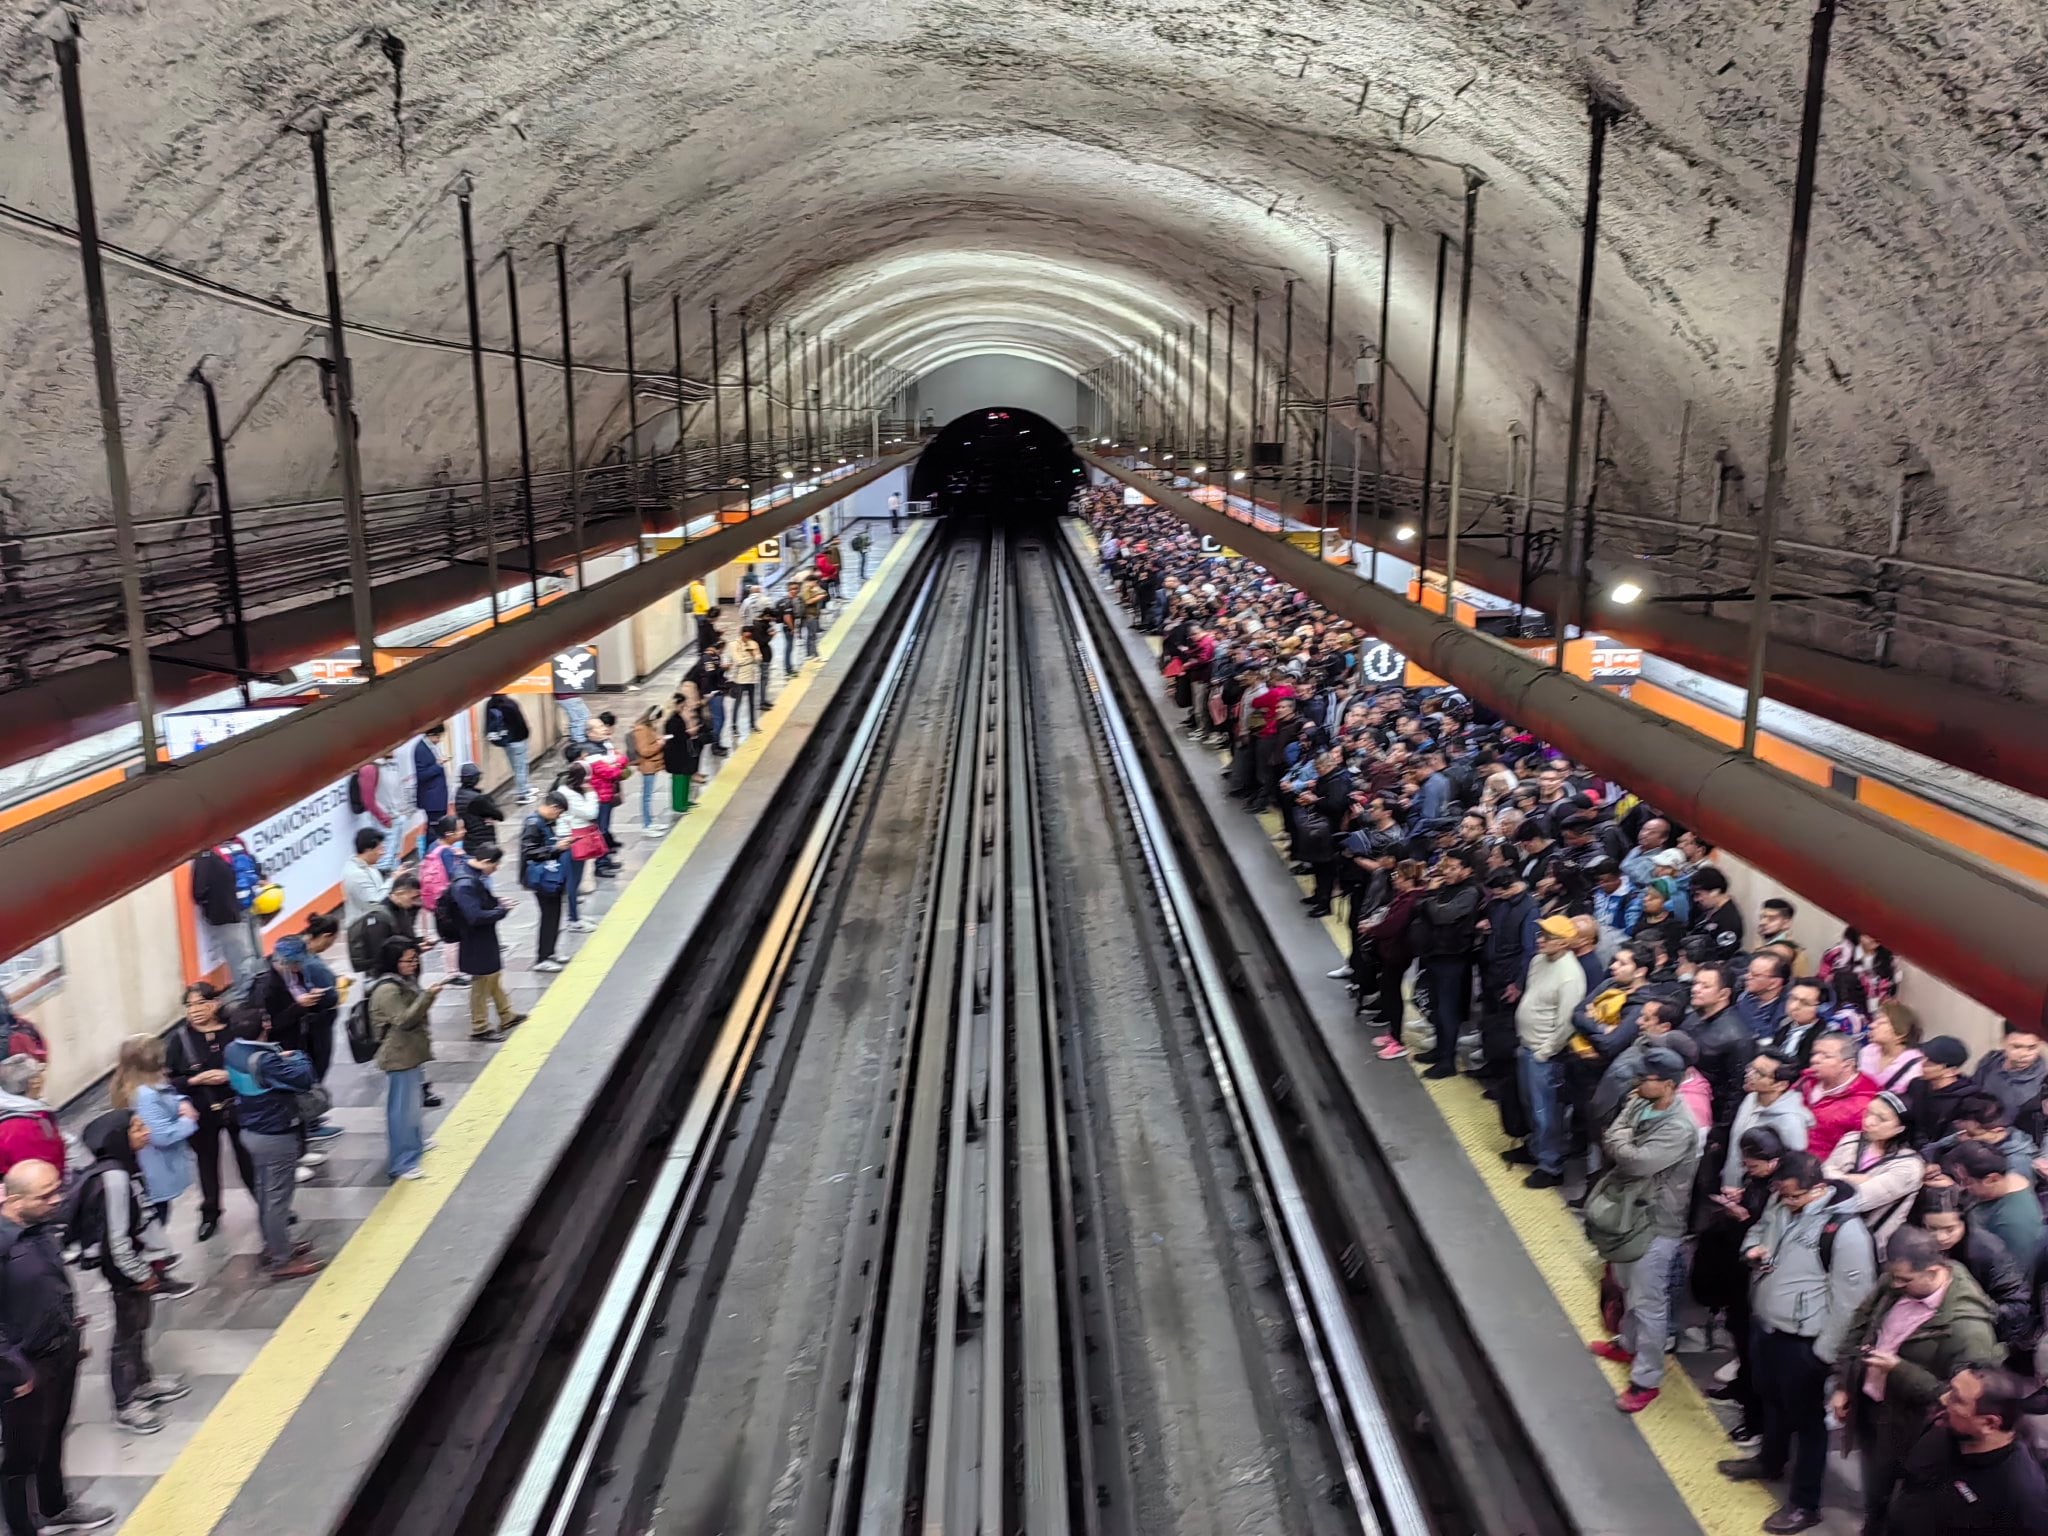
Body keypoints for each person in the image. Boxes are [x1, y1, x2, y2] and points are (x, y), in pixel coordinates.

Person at [1721, 1149, 1877, 1535]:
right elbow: (1760, 1229)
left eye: (1795, 1196)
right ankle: (1770, 1461)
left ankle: (1805, 1504)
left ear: (1819, 1188)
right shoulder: (1780, 1200)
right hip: (1768, 1328)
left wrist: (1824, 1354)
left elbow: (1850, 1304)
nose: (1786, 1202)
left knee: (1809, 1424)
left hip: (1804, 1343)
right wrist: (1751, 1250)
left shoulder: (1846, 1233)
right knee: (1771, 1401)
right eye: (1783, 1195)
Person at [1833, 1225, 2003, 1533]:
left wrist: (1898, 1370)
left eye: (1904, 1280)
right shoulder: (1898, 1279)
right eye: (1893, 1277)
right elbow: (1860, 1325)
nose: (1895, 1285)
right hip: (1874, 1408)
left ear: (1934, 1270)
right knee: (1875, 1487)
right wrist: (1843, 1385)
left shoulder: (1968, 1328)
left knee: (1910, 1503)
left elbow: (1960, 1398)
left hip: (1915, 1428)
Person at [0, 1160, 115, 1535]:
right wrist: (13, 1367)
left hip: (59, 1352)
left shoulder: (37, 1228)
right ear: (15, 1200)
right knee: (21, 1458)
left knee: (52, 1435)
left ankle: (54, 1507)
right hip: (24, 1370)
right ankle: (23, 1527)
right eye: (46, 1195)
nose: (58, 1199)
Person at [1584, 1045, 1700, 1412]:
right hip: (1630, 1214)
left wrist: (1618, 1142)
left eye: (1646, 1078)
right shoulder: (1641, 1101)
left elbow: (1636, 1162)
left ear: (1667, 1085)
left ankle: (1646, 1380)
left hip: (1656, 1224)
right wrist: (1621, 1141)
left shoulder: (1680, 1127)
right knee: (1627, 1284)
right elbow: (1617, 1129)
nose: (1637, 1082)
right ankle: (1628, 1343)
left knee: (1649, 1302)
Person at [73, 1109, 192, 1434]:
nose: (145, 1132)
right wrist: (140, 1274)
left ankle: (143, 1382)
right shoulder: (114, 1179)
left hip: (137, 1268)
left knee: (139, 1326)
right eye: (137, 1128)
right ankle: (126, 1403)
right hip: (127, 1273)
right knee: (126, 1335)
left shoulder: (126, 1168)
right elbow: (116, 1239)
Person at [1884, 1366, 2048, 1536]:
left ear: (1989, 1424)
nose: (1943, 1398)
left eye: (1956, 1398)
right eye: (1950, 1388)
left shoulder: (2023, 1498)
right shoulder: (1946, 1428)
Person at [223, 1023, 323, 1282]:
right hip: (274, 1133)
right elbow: (304, 1077)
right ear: (264, 1026)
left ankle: (276, 1245)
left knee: (266, 1194)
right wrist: (297, 1056)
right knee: (277, 1199)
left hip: (251, 1130)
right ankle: (282, 1259)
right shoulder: (264, 1060)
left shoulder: (233, 1049)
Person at [165, 982, 255, 1242]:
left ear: (216, 1003)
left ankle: (265, 1204)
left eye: (200, 1003)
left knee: (247, 1158)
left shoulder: (234, 1031)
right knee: (206, 1160)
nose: (195, 1010)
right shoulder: (179, 1040)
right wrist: (196, 1080)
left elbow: (252, 1064)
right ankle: (210, 1212)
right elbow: (168, 1082)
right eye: (189, 1005)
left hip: (237, 1105)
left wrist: (229, 1075)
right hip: (201, 1110)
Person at [1506, 914, 1586, 1189]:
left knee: (1546, 1111)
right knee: (1530, 1104)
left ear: (1565, 943)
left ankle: (1551, 1165)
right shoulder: (1539, 960)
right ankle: (1535, 1149)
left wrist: (1545, 1051)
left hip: (1545, 1055)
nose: (1540, 940)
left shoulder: (1570, 976)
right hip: (1526, 1045)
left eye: (1548, 937)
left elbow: (1566, 1023)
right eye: (1541, 934)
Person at [1911, 1186, 2036, 1351]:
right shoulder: (1913, 1244)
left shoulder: (1988, 1250)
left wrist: (1974, 1316)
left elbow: (2017, 1303)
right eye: (1932, 1229)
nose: (1941, 1238)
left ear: (1964, 1223)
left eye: (1950, 1229)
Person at [369, 938, 443, 1182]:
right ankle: (402, 1161)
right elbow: (404, 1019)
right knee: (401, 1110)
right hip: (398, 1055)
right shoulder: (387, 990)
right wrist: (427, 997)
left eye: (415, 958)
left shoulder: (401, 982)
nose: (414, 964)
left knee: (411, 1106)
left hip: (408, 1052)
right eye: (408, 960)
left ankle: (415, 1143)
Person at [1822, 1092, 1928, 1250]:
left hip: (1865, 1244)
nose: (1869, 1121)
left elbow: (1856, 1200)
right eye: (1869, 1112)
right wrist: (1855, 1179)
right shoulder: (1851, 1139)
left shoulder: (1909, 1167)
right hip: (1825, 1229)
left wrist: (1837, 1177)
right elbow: (1820, 1177)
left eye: (1882, 1118)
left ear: (1900, 1128)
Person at [116, 1035, 196, 1231]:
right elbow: (160, 1135)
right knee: (156, 1220)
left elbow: (167, 1095)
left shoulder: (135, 1084)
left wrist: (181, 1101)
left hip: (150, 1168)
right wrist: (188, 1121)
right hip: (155, 1169)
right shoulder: (146, 1096)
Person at [1414, 848, 1482, 1080]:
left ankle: (1447, 1060)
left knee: (1447, 1010)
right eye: (1446, 867)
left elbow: (1443, 915)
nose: (1447, 872)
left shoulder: (1470, 892)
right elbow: (1420, 907)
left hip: (1453, 957)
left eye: (1453, 868)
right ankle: (1439, 1050)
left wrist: (1429, 899)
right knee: (1436, 1006)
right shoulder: (1445, 887)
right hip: (1435, 953)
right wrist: (1429, 900)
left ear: (1467, 869)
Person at [450, 843, 522, 1042]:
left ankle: (506, 1014)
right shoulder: (465, 884)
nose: (496, 869)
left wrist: (497, 902)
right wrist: (501, 911)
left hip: (483, 937)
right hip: (475, 940)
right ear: (485, 862)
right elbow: (474, 916)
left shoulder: (469, 873)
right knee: (481, 983)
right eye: (495, 865)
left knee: (493, 976)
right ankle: (479, 1026)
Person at [1723, 1051, 1814, 1188]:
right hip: (1731, 1185)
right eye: (1750, 1068)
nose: (1749, 1075)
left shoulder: (1791, 1121)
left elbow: (1793, 1169)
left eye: (1759, 1073)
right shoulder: (1751, 1098)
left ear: (1781, 1085)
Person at [189, 835, 266, 995]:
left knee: (248, 959)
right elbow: (256, 869)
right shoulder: (231, 845)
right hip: (239, 910)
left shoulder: (215, 851)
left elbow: (199, 891)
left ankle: (256, 997)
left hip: (239, 910)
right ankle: (254, 998)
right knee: (249, 958)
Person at [1953, 1141, 2044, 1274]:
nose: (1961, 1186)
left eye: (1966, 1181)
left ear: (1992, 1179)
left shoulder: (2014, 1224)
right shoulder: (2008, 1176)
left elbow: (2017, 1276)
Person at [1799, 1031, 1879, 1162]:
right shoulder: (1806, 1080)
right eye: (1814, 1054)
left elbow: (1858, 1155)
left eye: (1826, 1056)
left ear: (1847, 1065)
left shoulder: (1866, 1104)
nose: (1815, 1060)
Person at [520, 793, 573, 973]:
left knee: (554, 915)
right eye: (559, 814)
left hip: (550, 876)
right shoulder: (533, 824)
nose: (558, 817)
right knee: (549, 916)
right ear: (554, 808)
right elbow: (530, 851)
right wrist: (555, 848)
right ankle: (542, 957)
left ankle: (550, 952)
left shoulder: (544, 822)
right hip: (541, 877)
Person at [1969, 1018, 2046, 1134]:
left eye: (2032, 1047)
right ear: (2003, 1042)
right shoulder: (1990, 1060)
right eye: (2017, 1047)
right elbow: (1972, 1092)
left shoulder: (2043, 1082)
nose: (2024, 1055)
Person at [417, 817, 468, 986]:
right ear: (449, 833)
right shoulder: (446, 852)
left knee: (450, 937)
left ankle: (455, 970)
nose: (464, 832)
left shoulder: (434, 847)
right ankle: (453, 973)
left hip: (438, 901)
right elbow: (454, 875)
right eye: (460, 829)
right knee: (452, 938)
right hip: (448, 902)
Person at [0, 1058, 65, 1181]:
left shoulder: (26, 1111)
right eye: (40, 1071)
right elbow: (40, 1171)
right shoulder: (23, 1127)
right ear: (34, 1082)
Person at [1902, 1035, 1973, 1146]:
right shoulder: (1917, 1084)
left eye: (1929, 1064)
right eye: (1923, 1058)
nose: (1922, 1064)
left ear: (1951, 1071)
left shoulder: (1966, 1099)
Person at [484, 692, 533, 804]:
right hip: (518, 739)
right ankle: (523, 794)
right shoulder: (509, 703)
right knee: (521, 767)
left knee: (516, 767)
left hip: (505, 741)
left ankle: (525, 787)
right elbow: (520, 722)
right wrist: (525, 734)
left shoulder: (490, 704)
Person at [664, 689, 704, 823]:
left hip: (683, 752)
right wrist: (690, 732)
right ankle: (678, 804)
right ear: (678, 704)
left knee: (686, 776)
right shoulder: (671, 719)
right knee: (679, 779)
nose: (685, 706)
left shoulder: (678, 716)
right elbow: (676, 736)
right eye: (683, 704)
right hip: (675, 753)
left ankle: (685, 801)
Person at [1687, 866, 1744, 956]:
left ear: (1715, 892)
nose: (1696, 899)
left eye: (1699, 894)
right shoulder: (1704, 908)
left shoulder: (1729, 921)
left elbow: (1723, 954)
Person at [629, 706, 669, 835]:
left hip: (652, 765)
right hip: (648, 766)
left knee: (648, 796)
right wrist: (660, 744)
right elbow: (644, 751)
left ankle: (650, 822)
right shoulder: (642, 730)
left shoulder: (649, 728)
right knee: (646, 797)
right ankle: (646, 826)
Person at [341, 827, 389, 931]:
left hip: (375, 925)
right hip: (364, 931)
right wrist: (393, 880)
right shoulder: (356, 874)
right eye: (380, 849)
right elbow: (375, 901)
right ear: (368, 850)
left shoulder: (370, 867)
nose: (382, 853)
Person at [1738, 950, 1791, 1040]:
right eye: (1748, 972)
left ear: (1774, 983)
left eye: (1755, 975)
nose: (1747, 977)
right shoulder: (1740, 993)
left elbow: (1769, 1039)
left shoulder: (1787, 1012)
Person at [455, 762, 504, 848]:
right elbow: (499, 815)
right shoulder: (478, 799)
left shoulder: (459, 794)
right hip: (483, 841)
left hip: (469, 840)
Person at [728, 627, 764, 741]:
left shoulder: (754, 643)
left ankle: (753, 724)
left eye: (749, 636)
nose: (748, 638)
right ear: (742, 634)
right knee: (737, 704)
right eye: (746, 636)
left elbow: (759, 658)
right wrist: (751, 657)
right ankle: (734, 726)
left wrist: (751, 657)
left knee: (752, 703)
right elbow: (738, 661)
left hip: (752, 678)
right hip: (739, 679)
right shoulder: (734, 644)